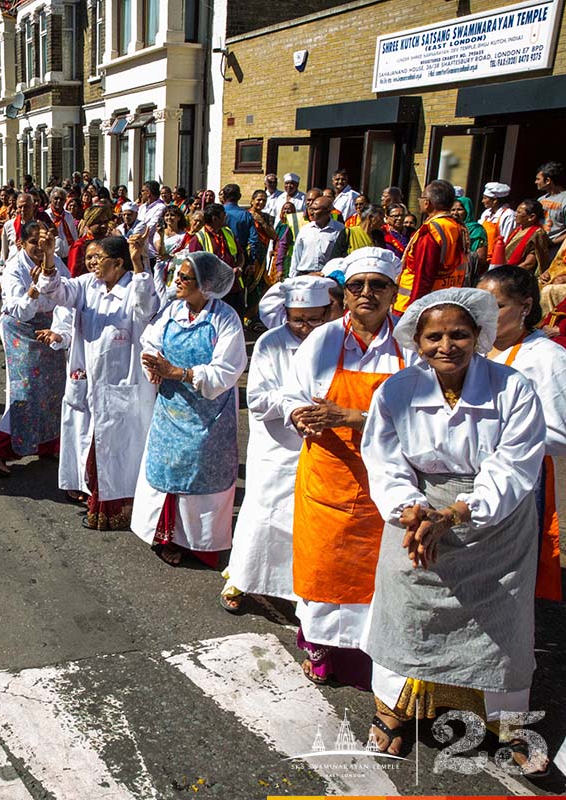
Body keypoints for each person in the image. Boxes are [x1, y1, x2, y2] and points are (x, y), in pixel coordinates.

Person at [360, 288, 546, 774]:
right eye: (434, 337)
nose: (447, 346)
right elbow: (383, 459)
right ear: (417, 341)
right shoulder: (397, 391)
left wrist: (457, 514)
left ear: (478, 335)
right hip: (415, 516)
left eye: (459, 334)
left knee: (501, 621)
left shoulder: (513, 387)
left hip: (496, 521)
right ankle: (392, 712)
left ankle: (511, 725)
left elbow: (515, 464)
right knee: (406, 612)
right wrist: (411, 511)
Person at [282, 246, 413, 688]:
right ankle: (319, 647)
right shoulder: (323, 340)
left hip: (386, 480)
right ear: (346, 293)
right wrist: (299, 414)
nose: (366, 293)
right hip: (327, 474)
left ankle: (371, 654)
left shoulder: (410, 345)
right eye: (357, 286)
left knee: (374, 573)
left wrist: (353, 417)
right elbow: (292, 393)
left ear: (393, 292)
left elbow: (421, 415)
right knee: (321, 567)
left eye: (378, 285)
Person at [221, 276, 336, 611]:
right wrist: (295, 407)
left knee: (307, 521)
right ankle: (242, 577)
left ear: (328, 313)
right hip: (276, 446)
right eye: (297, 319)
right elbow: (258, 399)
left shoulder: (335, 341)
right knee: (264, 514)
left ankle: (300, 590)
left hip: (320, 445)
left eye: (313, 319)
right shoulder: (270, 343)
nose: (304, 327)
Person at [132, 251, 246, 567]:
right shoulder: (172, 311)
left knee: (200, 475)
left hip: (209, 413)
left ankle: (197, 542)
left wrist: (181, 373)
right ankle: (166, 535)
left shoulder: (225, 319)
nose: (177, 282)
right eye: (177, 275)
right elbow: (150, 341)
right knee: (168, 468)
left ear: (205, 285)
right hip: (171, 408)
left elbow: (227, 369)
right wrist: (153, 365)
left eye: (184, 277)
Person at [38, 235, 160, 530]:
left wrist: (138, 264)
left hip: (124, 385)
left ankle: (119, 511)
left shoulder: (137, 286)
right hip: (88, 380)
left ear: (118, 263)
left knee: (119, 452)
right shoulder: (85, 285)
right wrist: (49, 257)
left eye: (98, 258)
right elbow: (54, 291)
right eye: (89, 258)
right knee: (90, 443)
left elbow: (146, 308)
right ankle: (95, 501)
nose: (91, 263)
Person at [479, 266, 565, 602]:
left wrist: (497, 436)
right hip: (467, 476)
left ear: (526, 306)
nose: (485, 315)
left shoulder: (547, 357)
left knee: (508, 577)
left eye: (497, 306)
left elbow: (560, 432)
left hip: (521, 483)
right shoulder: (471, 348)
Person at [0, 220, 67, 477]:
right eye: (34, 243)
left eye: (45, 243)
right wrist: (34, 288)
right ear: (21, 243)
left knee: (54, 388)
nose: (40, 248)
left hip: (49, 328)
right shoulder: (14, 268)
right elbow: (20, 310)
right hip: (21, 329)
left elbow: (68, 291)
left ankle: (47, 444)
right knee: (27, 390)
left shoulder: (54, 261)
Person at [393, 180, 467, 313]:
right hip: (447, 301)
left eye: (421, 197)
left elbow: (424, 277)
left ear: (427, 203)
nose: (419, 201)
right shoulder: (458, 227)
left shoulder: (431, 231)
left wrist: (414, 312)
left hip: (413, 306)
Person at [290, 195, 347, 275]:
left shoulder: (340, 229)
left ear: (327, 211)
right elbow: (296, 255)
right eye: (311, 209)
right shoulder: (305, 230)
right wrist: (293, 276)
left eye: (315, 209)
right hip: (304, 275)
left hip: (328, 275)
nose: (311, 212)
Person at [490, 199, 550, 273]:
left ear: (531, 217)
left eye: (519, 212)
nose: (515, 215)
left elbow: (529, 263)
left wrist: (510, 272)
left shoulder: (538, 233)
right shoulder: (519, 229)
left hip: (518, 274)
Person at [450, 197, 489, 285]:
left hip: (467, 276)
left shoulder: (477, 230)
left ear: (467, 211)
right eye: (453, 210)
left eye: (459, 209)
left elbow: (481, 258)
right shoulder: (449, 228)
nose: (455, 213)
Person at [535, 160, 566, 259]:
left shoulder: (565, 200)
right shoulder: (541, 200)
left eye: (538, 179)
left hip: (556, 252)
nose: (536, 182)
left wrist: (552, 242)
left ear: (548, 180)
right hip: (538, 250)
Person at [479, 182, 515, 253]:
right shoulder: (486, 213)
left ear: (495, 200)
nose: (482, 201)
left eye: (485, 198)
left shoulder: (508, 215)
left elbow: (505, 240)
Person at [48, 187, 79, 260]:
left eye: (61, 199)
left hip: (68, 257)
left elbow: (74, 235)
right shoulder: (46, 215)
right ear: (51, 199)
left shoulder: (68, 216)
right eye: (56, 198)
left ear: (65, 201)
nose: (58, 201)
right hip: (53, 257)